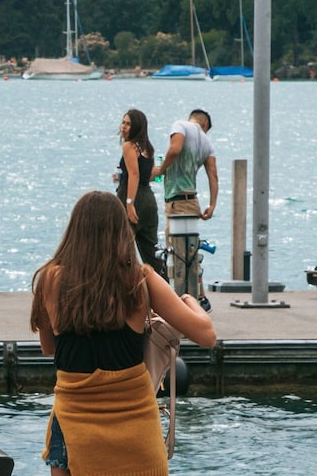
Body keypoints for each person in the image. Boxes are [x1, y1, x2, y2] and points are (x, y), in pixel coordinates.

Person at [31, 191, 218, 475]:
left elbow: (49, 348)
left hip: (74, 425)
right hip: (134, 428)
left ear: (75, 230)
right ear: (122, 231)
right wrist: (189, 300)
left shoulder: (50, 280)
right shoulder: (139, 280)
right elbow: (207, 336)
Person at [154, 109, 221, 298]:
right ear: (205, 124)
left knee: (175, 255)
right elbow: (213, 176)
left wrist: (160, 170)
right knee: (191, 254)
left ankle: (182, 300)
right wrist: (212, 205)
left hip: (176, 202)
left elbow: (174, 149)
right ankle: (200, 297)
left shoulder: (180, 125)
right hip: (193, 202)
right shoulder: (207, 143)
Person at [116, 109, 165, 277]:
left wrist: (129, 203)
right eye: (123, 122)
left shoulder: (129, 146)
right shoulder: (147, 148)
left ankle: (125, 287)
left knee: (121, 248)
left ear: (136, 126)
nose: (124, 127)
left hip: (133, 198)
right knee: (151, 251)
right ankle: (167, 286)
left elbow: (134, 174)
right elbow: (150, 174)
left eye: (128, 124)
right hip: (148, 199)